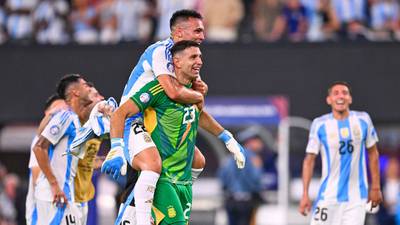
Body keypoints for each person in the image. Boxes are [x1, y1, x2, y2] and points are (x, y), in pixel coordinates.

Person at [102, 9, 245, 225]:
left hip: (157, 123)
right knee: (152, 164)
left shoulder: (188, 64)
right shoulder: (161, 52)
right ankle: (146, 218)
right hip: (134, 120)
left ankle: (175, 189)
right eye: (197, 30)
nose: (202, 36)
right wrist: (116, 147)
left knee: (197, 159)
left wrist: (227, 137)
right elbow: (174, 92)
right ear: (178, 32)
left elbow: (196, 108)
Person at [298, 81, 383, 225]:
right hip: (328, 196)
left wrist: (376, 187)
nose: (341, 96)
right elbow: (309, 160)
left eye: (344, 93)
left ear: (350, 99)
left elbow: (373, 153)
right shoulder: (319, 124)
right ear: (329, 100)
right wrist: (305, 194)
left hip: (356, 198)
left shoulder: (363, 120)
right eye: (336, 93)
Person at [33, 74, 92, 225]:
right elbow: (39, 147)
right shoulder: (66, 116)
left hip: (64, 193)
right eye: (85, 85)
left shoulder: (76, 122)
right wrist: (54, 185)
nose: (89, 88)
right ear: (76, 92)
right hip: (53, 194)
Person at [25, 94, 67, 225]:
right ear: (47, 113)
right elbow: (37, 178)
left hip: (60, 203)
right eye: (57, 109)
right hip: (43, 206)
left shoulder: (63, 141)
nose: (60, 112)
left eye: (64, 108)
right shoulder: (39, 142)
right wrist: (54, 186)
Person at [219, 129, 264, 225]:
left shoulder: (230, 157)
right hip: (247, 202)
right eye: (258, 141)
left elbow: (223, 178)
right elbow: (255, 180)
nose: (261, 144)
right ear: (250, 142)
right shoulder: (253, 158)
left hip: (230, 200)